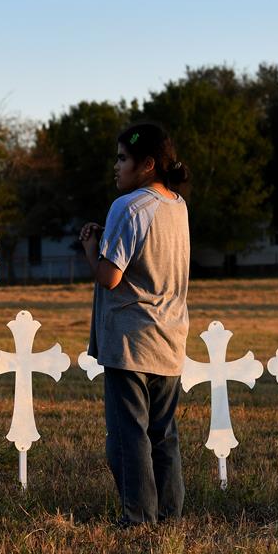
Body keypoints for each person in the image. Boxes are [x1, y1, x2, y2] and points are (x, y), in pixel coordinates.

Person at [80, 123, 191, 526]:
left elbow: (110, 276)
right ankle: (169, 513)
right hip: (169, 335)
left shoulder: (128, 207)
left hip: (131, 339)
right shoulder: (176, 205)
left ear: (147, 164)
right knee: (163, 434)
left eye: (122, 158)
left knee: (129, 437)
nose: (116, 166)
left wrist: (92, 249)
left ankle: (137, 518)